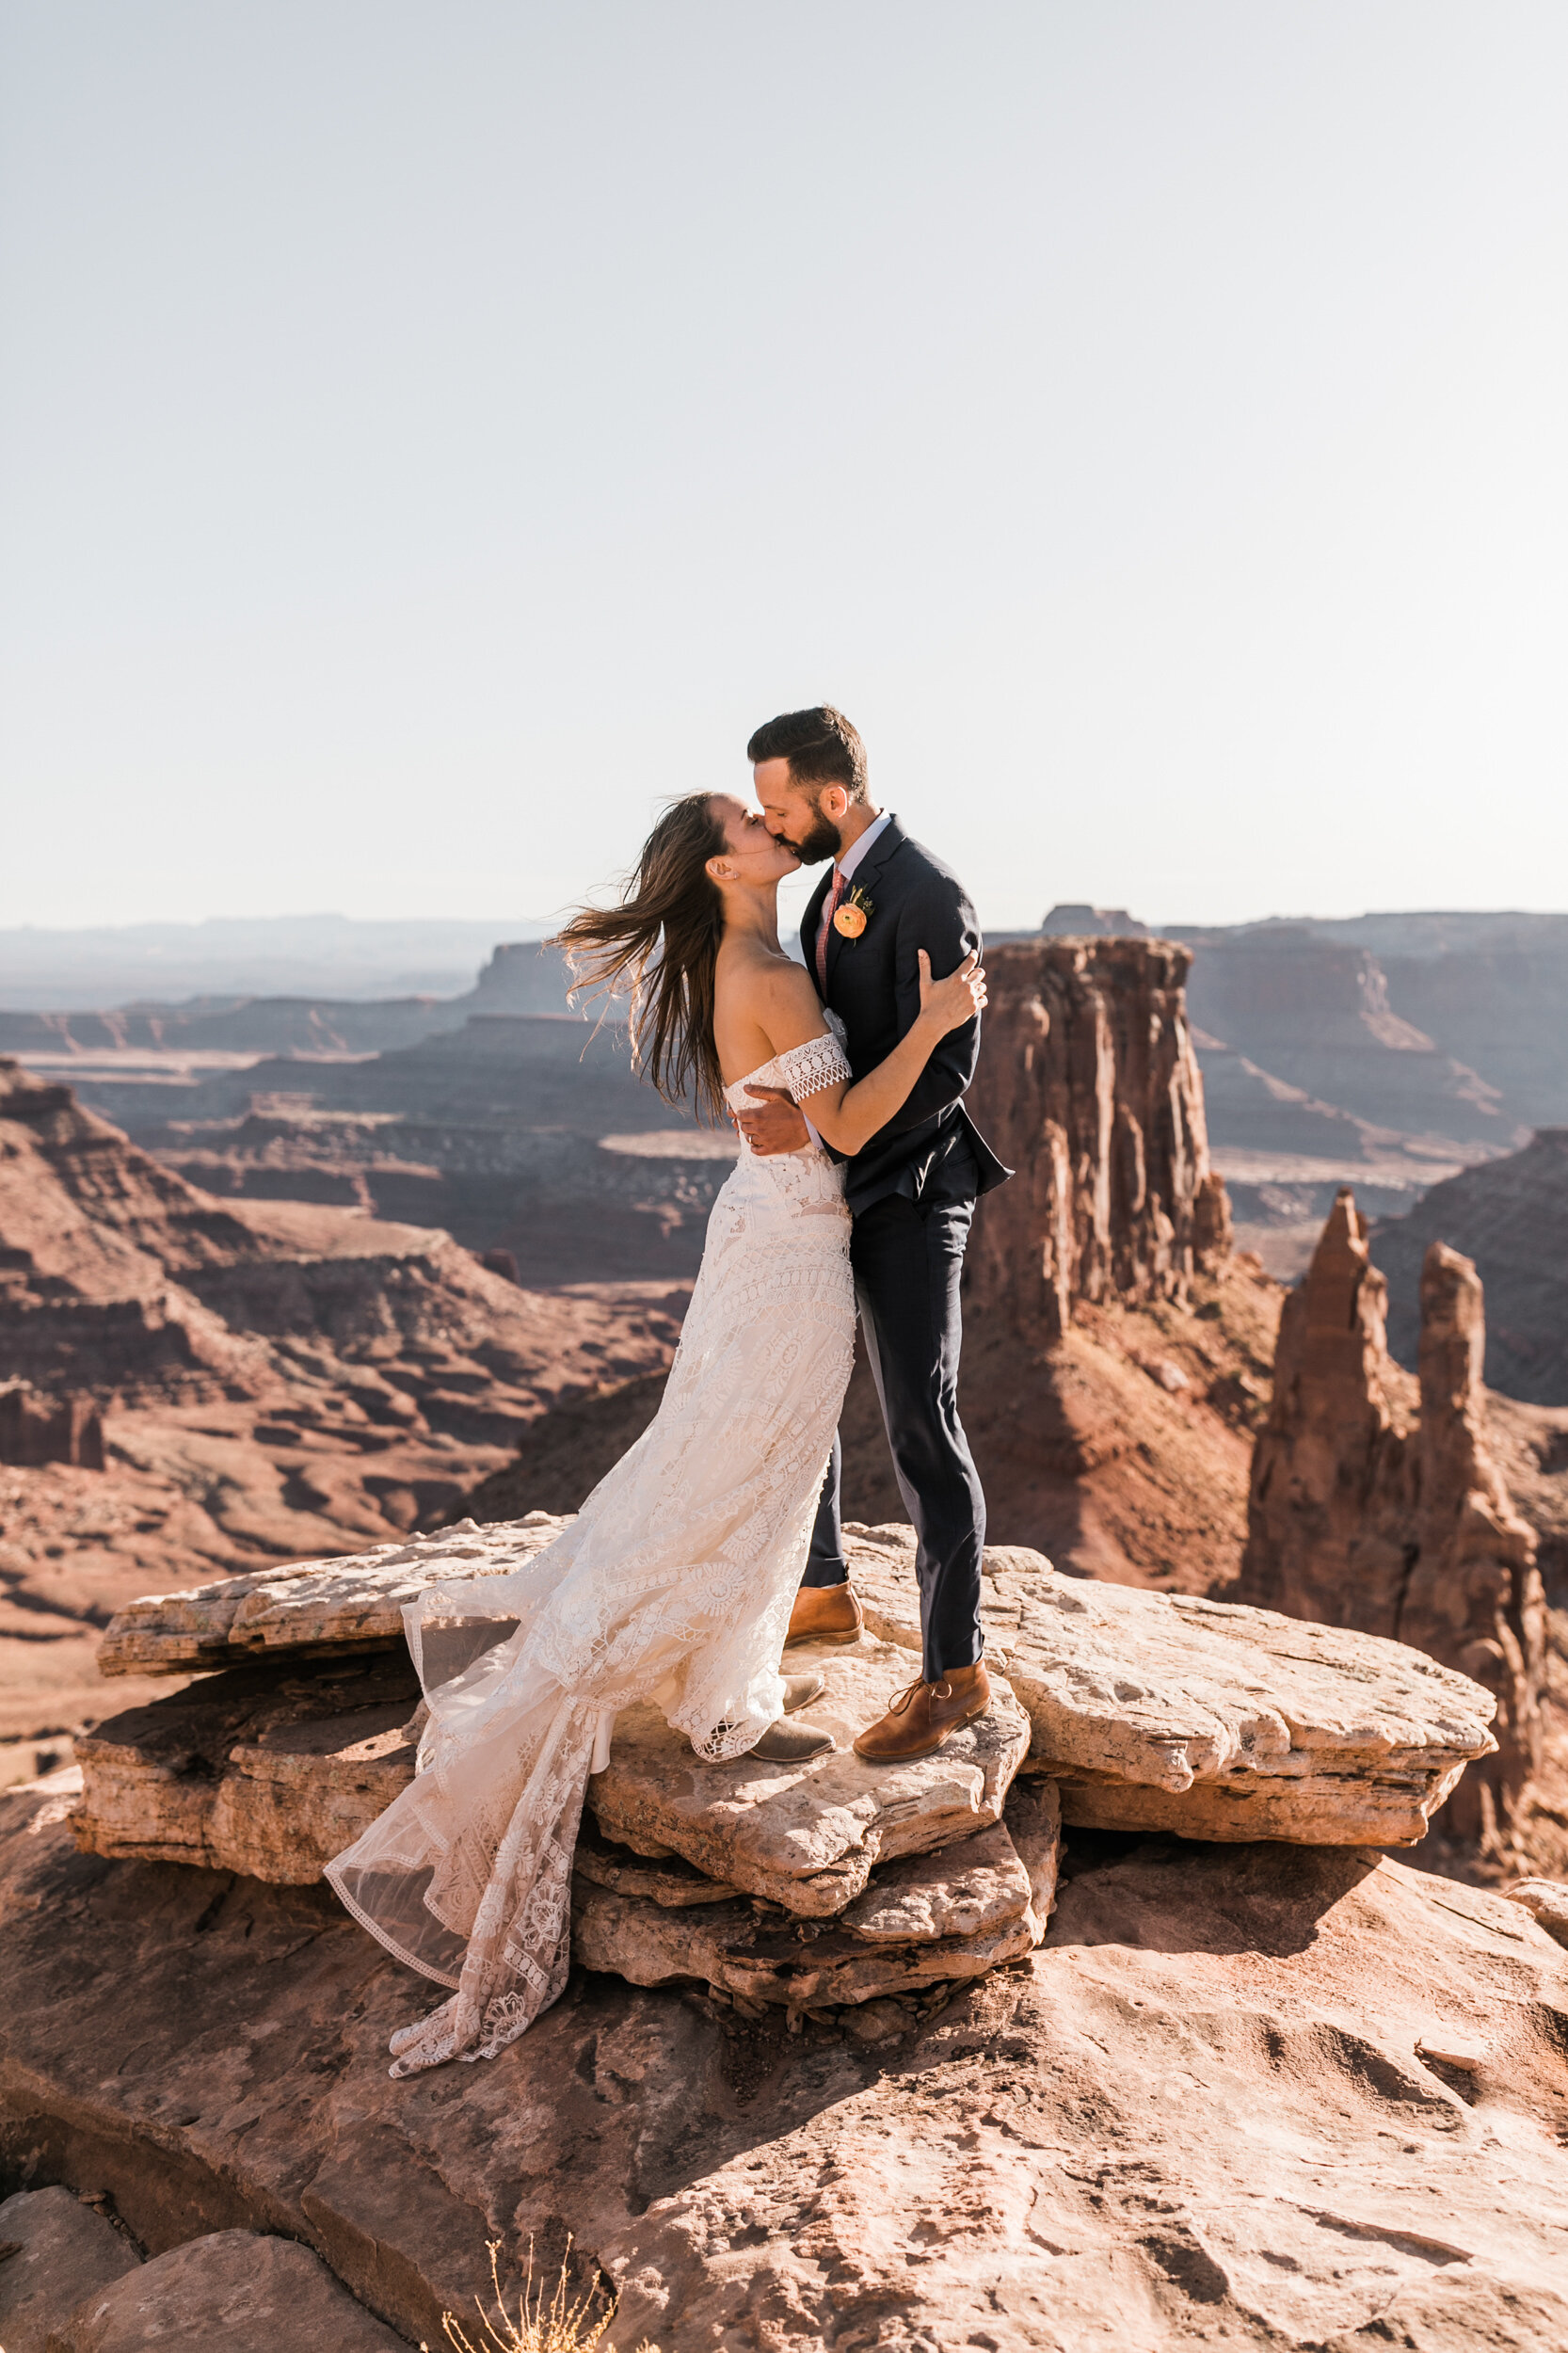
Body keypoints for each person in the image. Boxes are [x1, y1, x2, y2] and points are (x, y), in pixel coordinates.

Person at [325, 788, 986, 2073]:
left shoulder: (751, 960)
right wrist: (942, 1024)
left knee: (736, 1449)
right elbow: (846, 1127)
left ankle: (720, 1641)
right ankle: (652, 1656)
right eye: (748, 821)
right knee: (758, 1450)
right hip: (794, 1248)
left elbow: (785, 1112)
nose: (769, 822)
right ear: (720, 865)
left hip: (760, 1223)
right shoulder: (768, 971)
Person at [736, 706, 1011, 1763]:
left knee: (916, 1423)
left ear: (832, 798)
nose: (773, 824)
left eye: (779, 806)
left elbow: (947, 1075)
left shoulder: (926, 891)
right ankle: (821, 1590)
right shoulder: (835, 889)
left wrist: (823, 1128)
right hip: (840, 1183)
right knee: (806, 1383)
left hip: (908, 1195)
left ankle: (954, 1672)